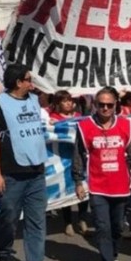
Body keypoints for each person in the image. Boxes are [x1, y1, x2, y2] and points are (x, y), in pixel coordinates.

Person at [73, 87, 131, 261]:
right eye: (101, 105)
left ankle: (113, 256)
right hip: (98, 187)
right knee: (103, 227)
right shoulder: (85, 126)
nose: (105, 108)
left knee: (117, 228)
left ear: (116, 106)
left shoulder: (124, 125)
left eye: (109, 105)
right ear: (95, 105)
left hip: (120, 187)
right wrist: (79, 181)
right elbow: (79, 155)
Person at [0, 64, 53, 261]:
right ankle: (3, 252)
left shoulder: (35, 99)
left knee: (36, 223)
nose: (31, 83)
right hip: (11, 173)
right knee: (8, 218)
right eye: (27, 79)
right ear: (18, 82)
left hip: (36, 172)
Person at [48, 90, 86, 236]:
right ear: (58, 104)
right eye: (64, 101)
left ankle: (82, 219)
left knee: (83, 184)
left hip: (80, 157)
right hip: (63, 158)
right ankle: (68, 222)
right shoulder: (54, 118)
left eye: (70, 100)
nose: (69, 103)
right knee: (66, 188)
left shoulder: (78, 117)